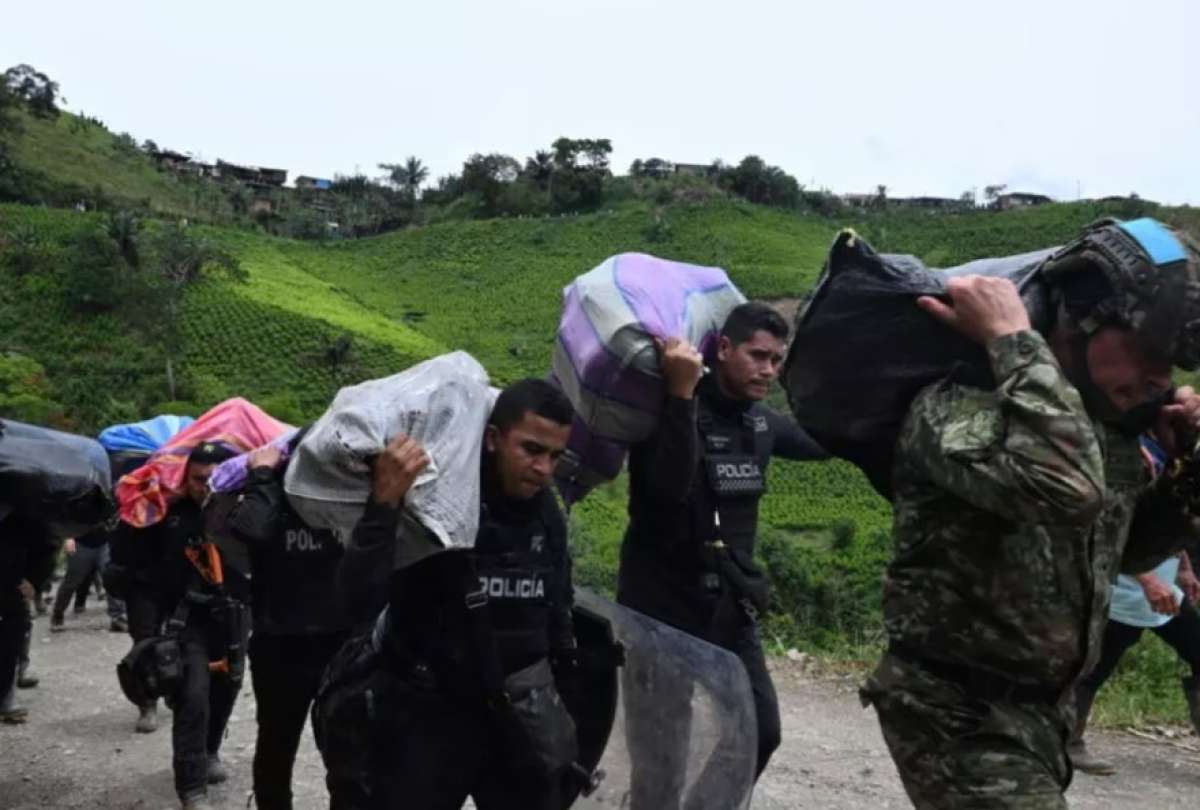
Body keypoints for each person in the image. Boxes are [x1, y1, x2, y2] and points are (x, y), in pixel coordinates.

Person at [860, 218, 1200, 809]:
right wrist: (1014, 340)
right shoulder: (961, 406)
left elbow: (1125, 553)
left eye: (1172, 365)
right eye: (1148, 352)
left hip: (1042, 713)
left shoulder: (1098, 428)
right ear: (1080, 319)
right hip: (957, 711)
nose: (1160, 380)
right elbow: (1068, 488)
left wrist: (1185, 469)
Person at [315, 378, 579, 810]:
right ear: (493, 439)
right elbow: (356, 600)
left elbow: (557, 611)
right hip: (426, 720)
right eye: (531, 450)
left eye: (555, 456)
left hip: (513, 722)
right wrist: (383, 506)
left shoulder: (546, 515)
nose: (544, 469)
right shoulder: (437, 504)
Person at [616, 302, 829, 807]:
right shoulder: (666, 411)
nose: (768, 371)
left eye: (776, 361)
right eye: (758, 356)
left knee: (761, 729)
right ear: (725, 349)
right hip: (659, 612)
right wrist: (681, 395)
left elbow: (827, 442)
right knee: (661, 758)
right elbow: (667, 488)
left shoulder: (760, 425)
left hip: (730, 611)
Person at [111, 441, 248, 810]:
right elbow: (131, 561)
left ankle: (210, 749)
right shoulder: (169, 513)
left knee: (226, 689)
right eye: (197, 478)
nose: (205, 485)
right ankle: (192, 788)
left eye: (213, 478)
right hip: (187, 621)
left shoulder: (245, 512)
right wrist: (140, 506)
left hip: (233, 619)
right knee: (193, 698)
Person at [222, 433, 350, 810]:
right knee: (277, 746)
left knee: (346, 745)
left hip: (339, 645)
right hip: (280, 645)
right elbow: (250, 530)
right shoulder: (272, 493)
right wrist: (263, 476)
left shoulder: (348, 491)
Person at [1069, 438, 1200, 774]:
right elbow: (1111, 526)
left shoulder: (1174, 456)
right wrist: (1148, 579)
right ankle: (1070, 742)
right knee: (1095, 666)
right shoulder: (1125, 451)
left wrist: (1184, 569)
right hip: (1126, 586)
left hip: (1165, 582)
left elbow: (1172, 517)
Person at [51, 523, 128, 633]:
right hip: (80, 544)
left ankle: (118, 617)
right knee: (72, 582)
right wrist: (69, 538)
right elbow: (68, 516)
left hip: (104, 543)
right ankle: (58, 614)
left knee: (112, 577)